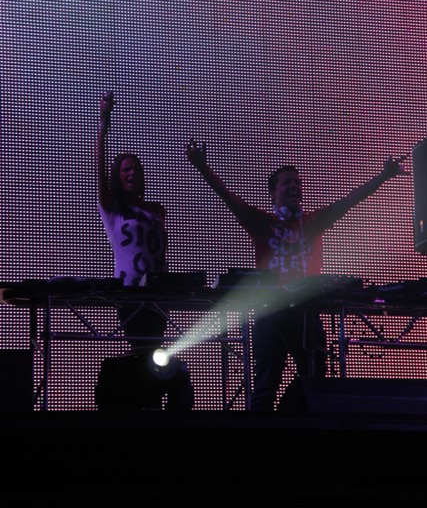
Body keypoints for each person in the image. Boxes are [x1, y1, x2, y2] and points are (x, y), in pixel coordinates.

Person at [185, 137, 408, 411]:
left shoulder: (313, 222)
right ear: (273, 193)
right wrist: (203, 167)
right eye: (288, 183)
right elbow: (230, 199)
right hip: (269, 313)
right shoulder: (262, 222)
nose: (295, 186)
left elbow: (349, 201)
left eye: (298, 182)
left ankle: (299, 422)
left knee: (316, 386)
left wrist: (383, 176)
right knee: (265, 386)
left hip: (307, 314)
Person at [96, 92, 194, 410]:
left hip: (158, 294)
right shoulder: (114, 208)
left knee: (156, 354)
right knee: (144, 352)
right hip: (130, 293)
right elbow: (99, 170)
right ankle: (144, 409)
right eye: (125, 169)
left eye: (136, 169)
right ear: (117, 176)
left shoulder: (156, 209)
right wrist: (104, 124)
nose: (132, 173)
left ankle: (151, 407)